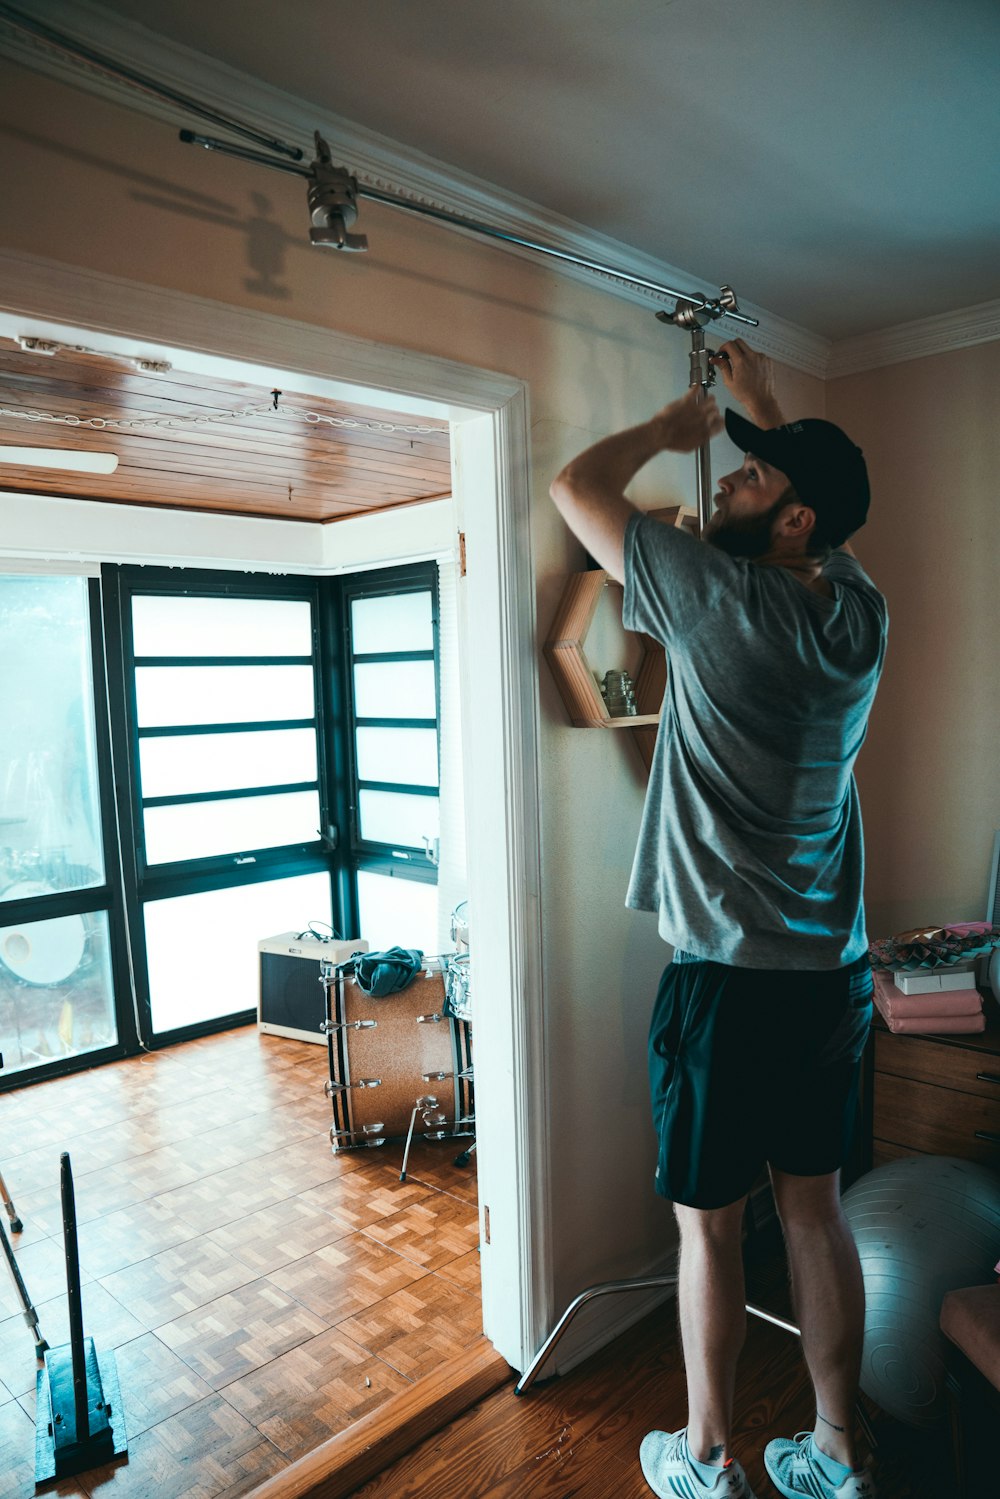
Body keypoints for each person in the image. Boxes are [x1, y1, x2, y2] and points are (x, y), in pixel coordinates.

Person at [549, 340, 888, 1499]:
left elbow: (572, 492)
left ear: (793, 521)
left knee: (706, 1230)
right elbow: (821, 515)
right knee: (812, 1210)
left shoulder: (712, 597)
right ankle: (835, 1449)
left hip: (724, 982)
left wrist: (664, 429)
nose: (722, 485)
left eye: (748, 480)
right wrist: (767, 421)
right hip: (828, 976)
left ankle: (705, 1458)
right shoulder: (858, 613)